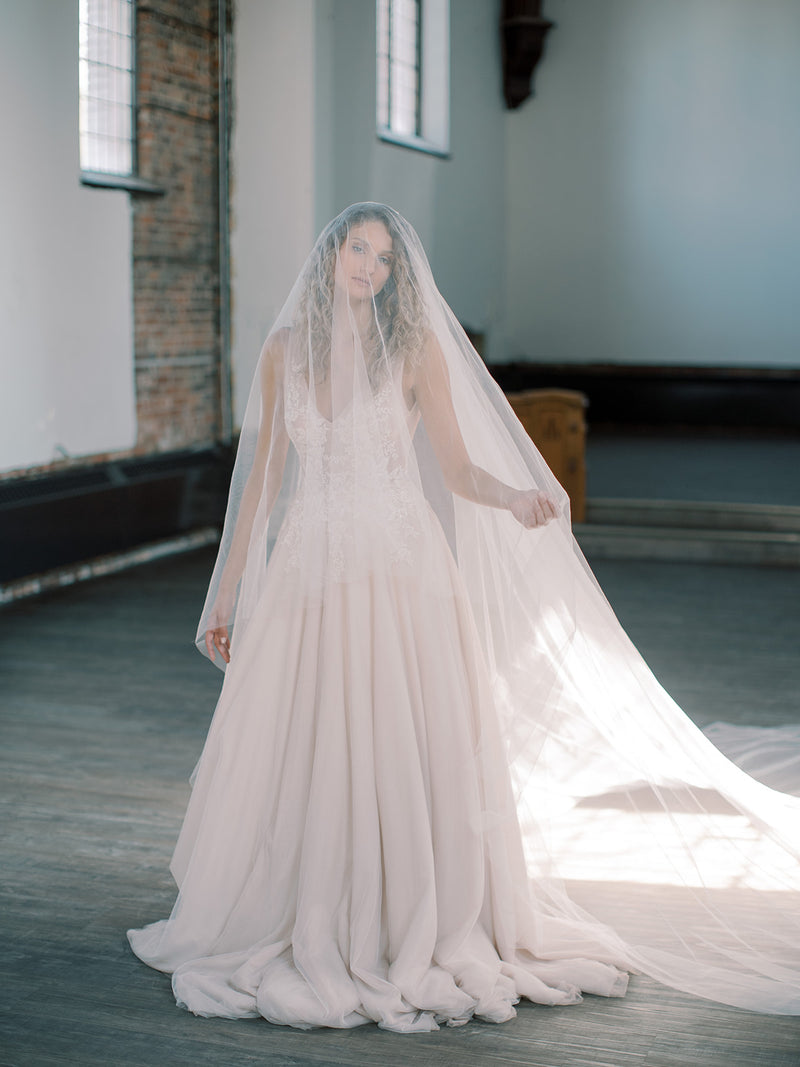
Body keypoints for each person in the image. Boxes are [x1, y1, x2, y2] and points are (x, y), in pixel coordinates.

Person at [128, 204, 800, 1031]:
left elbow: (454, 467)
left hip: (404, 575)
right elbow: (261, 482)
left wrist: (515, 492)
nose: (368, 268)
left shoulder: (410, 353)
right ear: (330, 255)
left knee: (402, 739)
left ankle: (410, 910)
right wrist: (227, 590)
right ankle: (320, 907)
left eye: (382, 259)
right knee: (316, 740)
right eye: (357, 250)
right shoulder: (281, 353)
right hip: (312, 576)